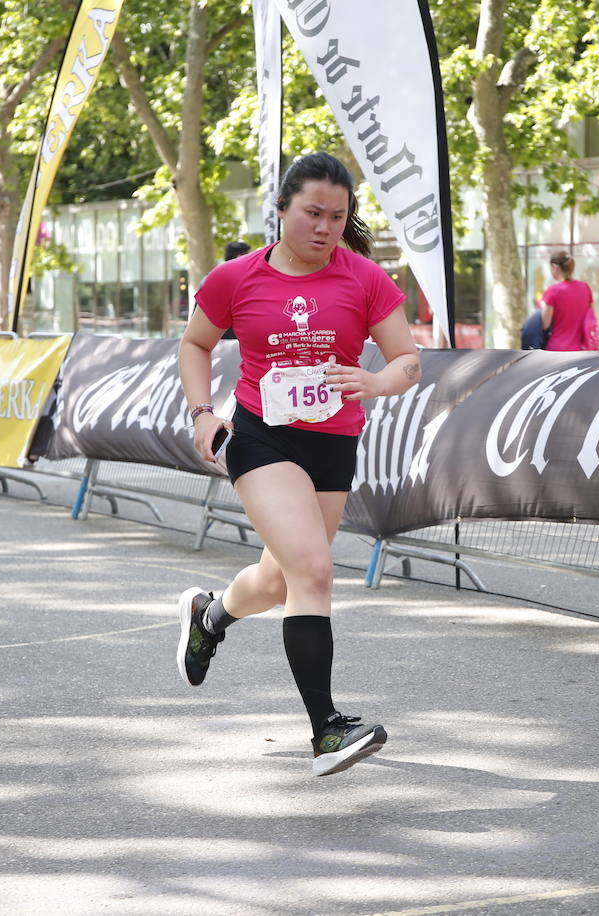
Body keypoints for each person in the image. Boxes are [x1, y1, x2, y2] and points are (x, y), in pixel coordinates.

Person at [175, 152, 421, 777]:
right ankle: (326, 731)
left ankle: (211, 615)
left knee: (281, 580)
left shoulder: (365, 279)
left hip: (333, 444)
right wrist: (204, 413)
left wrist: (374, 381)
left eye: (338, 217)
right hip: (262, 438)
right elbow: (197, 343)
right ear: (281, 209)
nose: (325, 227)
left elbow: (407, 363)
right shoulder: (236, 277)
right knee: (313, 568)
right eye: (313, 213)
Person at [538, 251, 599, 350]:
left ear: (555, 267)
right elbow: (592, 316)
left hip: (557, 350)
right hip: (581, 349)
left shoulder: (553, 291)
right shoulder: (585, 288)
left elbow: (545, 324)